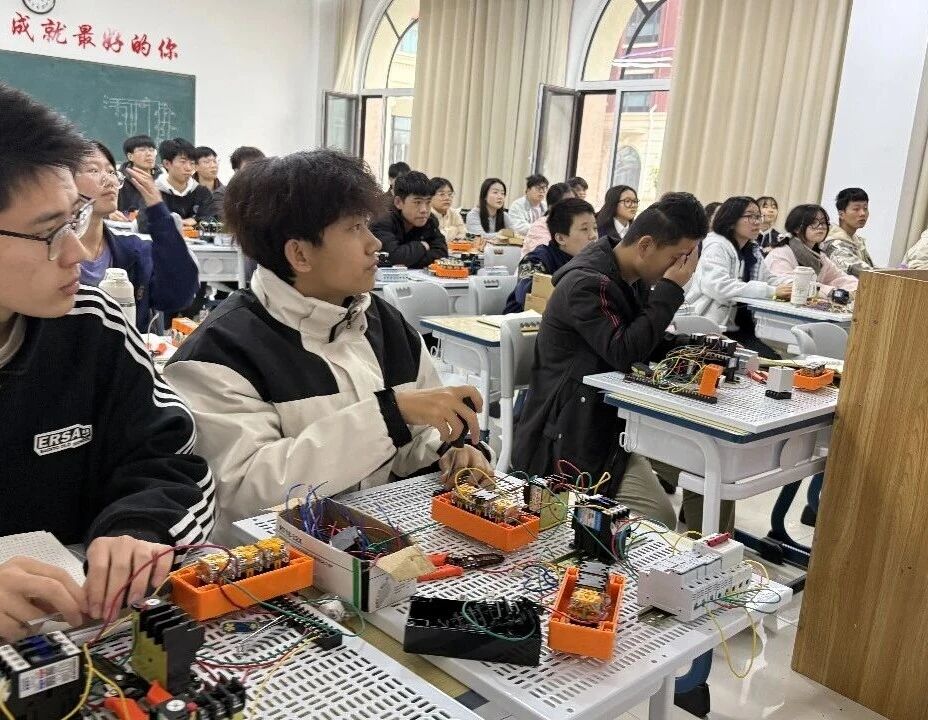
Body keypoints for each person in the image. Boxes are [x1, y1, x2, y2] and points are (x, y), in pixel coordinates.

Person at [163, 149, 492, 542]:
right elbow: (245, 493)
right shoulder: (218, 355)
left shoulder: (385, 324)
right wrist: (389, 413)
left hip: (375, 546)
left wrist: (449, 454)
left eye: (368, 225)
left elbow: (414, 439)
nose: (374, 243)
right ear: (300, 253)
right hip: (280, 563)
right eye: (354, 229)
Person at [0, 83, 215, 640]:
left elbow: (174, 462)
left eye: (74, 220)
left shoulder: (90, 323)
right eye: (49, 233)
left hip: (77, 637)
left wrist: (140, 528)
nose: (76, 252)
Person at [512, 193, 709, 528]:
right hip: (572, 432)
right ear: (645, 246)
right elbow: (625, 351)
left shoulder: (628, 278)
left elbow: (645, 341)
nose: (682, 270)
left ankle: (703, 553)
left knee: (709, 472)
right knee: (657, 517)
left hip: (615, 420)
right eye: (678, 259)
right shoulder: (586, 284)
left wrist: (702, 350)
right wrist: (671, 289)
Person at [75, 141, 199, 332]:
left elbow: (177, 297)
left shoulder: (134, 250)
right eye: (93, 170)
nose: (109, 180)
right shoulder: (50, 250)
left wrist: (158, 210)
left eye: (111, 172)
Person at [684, 196, 791, 356]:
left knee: (774, 359)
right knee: (766, 361)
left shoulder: (752, 249)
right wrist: (771, 291)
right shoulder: (716, 245)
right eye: (750, 216)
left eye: (758, 216)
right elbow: (719, 286)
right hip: (712, 326)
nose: (757, 222)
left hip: (742, 325)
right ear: (731, 220)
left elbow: (769, 279)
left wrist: (794, 285)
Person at [504, 198, 597, 313]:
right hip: (523, 320)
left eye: (595, 228)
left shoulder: (593, 262)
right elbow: (528, 295)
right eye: (584, 229)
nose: (593, 235)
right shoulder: (536, 259)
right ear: (561, 238)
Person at [764, 204, 858, 295]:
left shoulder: (820, 257)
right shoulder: (780, 253)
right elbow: (791, 285)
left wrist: (857, 288)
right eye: (813, 223)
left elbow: (841, 278)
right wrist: (830, 291)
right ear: (797, 228)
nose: (821, 226)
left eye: (823, 222)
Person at [370, 171, 448, 269]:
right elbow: (391, 257)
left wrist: (408, 260)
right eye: (417, 202)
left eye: (428, 202)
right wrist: (422, 246)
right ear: (398, 202)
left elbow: (442, 254)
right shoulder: (382, 218)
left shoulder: (430, 220)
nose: (424, 210)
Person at [139, 138, 216, 233]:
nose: (188, 168)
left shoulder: (202, 192)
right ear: (167, 164)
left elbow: (213, 224)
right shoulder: (152, 191)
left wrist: (193, 225)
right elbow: (144, 226)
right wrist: (180, 225)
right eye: (183, 162)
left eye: (192, 163)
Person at [821, 187, 875, 276]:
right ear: (841, 214)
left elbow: (872, 269)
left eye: (865, 208)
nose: (863, 213)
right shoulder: (833, 243)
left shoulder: (857, 241)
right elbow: (864, 272)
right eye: (856, 209)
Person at [521, 182, 575, 256]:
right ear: (551, 207)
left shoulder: (571, 225)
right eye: (567, 205)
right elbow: (543, 256)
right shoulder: (540, 226)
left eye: (574, 203)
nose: (572, 208)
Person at [213, 145, 264, 222]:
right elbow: (227, 221)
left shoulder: (269, 192)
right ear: (236, 171)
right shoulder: (222, 194)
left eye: (260, 167)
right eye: (250, 168)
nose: (256, 172)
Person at [116, 134, 160, 216]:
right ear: (130, 156)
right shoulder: (118, 179)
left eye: (151, 150)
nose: (149, 154)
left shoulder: (162, 179)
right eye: (142, 150)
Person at [429, 177, 466, 243]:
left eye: (450, 194)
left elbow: (463, 233)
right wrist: (454, 230)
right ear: (430, 196)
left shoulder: (453, 213)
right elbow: (435, 239)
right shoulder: (426, 214)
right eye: (442, 194)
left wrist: (446, 232)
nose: (447, 198)